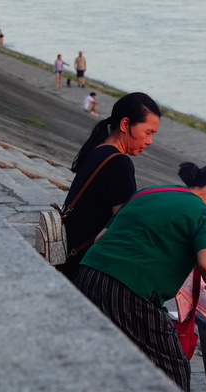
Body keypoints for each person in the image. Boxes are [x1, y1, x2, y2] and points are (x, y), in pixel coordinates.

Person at [74, 162, 206, 392]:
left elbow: (100, 237)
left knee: (112, 351)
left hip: (88, 273)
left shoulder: (150, 192)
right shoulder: (204, 214)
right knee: (174, 367)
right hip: (129, 289)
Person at [55, 92, 162, 282]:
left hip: (68, 258)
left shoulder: (98, 150)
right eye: (148, 132)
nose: (149, 141)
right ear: (125, 125)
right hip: (83, 269)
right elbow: (123, 226)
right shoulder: (118, 163)